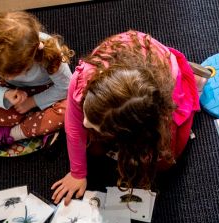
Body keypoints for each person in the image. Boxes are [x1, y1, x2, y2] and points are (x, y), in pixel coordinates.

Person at [51, 30, 203, 204]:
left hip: (165, 77)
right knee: (92, 147)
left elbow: (161, 150)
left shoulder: (155, 114)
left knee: (163, 163)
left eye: (95, 123)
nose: (85, 122)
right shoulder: (82, 79)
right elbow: (74, 128)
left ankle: (192, 75)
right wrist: (77, 173)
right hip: (125, 58)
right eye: (87, 113)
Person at [0, 11, 74, 155]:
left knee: (73, 106)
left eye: (22, 71)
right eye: (2, 73)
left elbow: (66, 87)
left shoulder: (49, 52)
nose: (6, 76)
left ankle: (12, 133)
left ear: (32, 57)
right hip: (15, 94)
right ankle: (42, 125)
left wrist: (32, 102)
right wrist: (6, 94)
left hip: (49, 91)